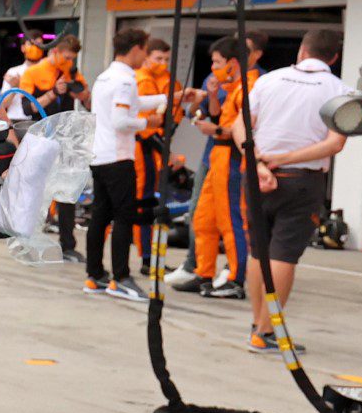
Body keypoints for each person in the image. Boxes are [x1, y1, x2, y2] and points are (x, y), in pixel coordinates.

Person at [235, 28, 346, 355]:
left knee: (259, 251)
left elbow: (239, 124)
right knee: (283, 255)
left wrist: (256, 161)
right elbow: (335, 143)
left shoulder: (269, 80)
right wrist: (286, 158)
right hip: (300, 180)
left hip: (258, 176)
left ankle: (258, 326)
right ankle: (266, 331)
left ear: (301, 51)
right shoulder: (338, 90)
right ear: (334, 57)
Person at [83, 27, 165, 301]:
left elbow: (132, 104)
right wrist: (148, 123)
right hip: (118, 158)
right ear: (136, 49)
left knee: (100, 216)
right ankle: (121, 277)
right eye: (145, 51)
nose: (145, 57)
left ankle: (94, 275)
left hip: (100, 156)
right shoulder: (126, 81)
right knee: (124, 217)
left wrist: (168, 99)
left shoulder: (105, 78)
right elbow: (122, 121)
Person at [172, 34, 256, 298]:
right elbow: (220, 116)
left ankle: (236, 277)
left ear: (232, 63)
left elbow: (247, 128)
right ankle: (203, 271)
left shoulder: (251, 88)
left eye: (218, 62)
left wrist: (217, 128)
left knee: (231, 220)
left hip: (232, 159)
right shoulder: (232, 89)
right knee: (203, 218)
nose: (213, 67)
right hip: (216, 159)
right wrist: (211, 97)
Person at [21, 34, 85, 260]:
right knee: (35, 191)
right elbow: (28, 108)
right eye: (66, 57)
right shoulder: (33, 73)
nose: (69, 62)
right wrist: (53, 93)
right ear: (55, 51)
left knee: (67, 190)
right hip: (41, 137)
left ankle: (68, 245)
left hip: (66, 138)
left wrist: (80, 91)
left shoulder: (71, 71)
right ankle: (26, 240)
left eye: (72, 58)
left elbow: (87, 98)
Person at [132, 36, 174, 271]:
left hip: (149, 148)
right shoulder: (143, 82)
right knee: (144, 203)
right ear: (146, 57)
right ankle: (147, 257)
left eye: (166, 59)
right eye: (158, 58)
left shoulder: (158, 81)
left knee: (148, 202)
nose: (163, 63)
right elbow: (146, 125)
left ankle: (149, 255)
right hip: (141, 148)